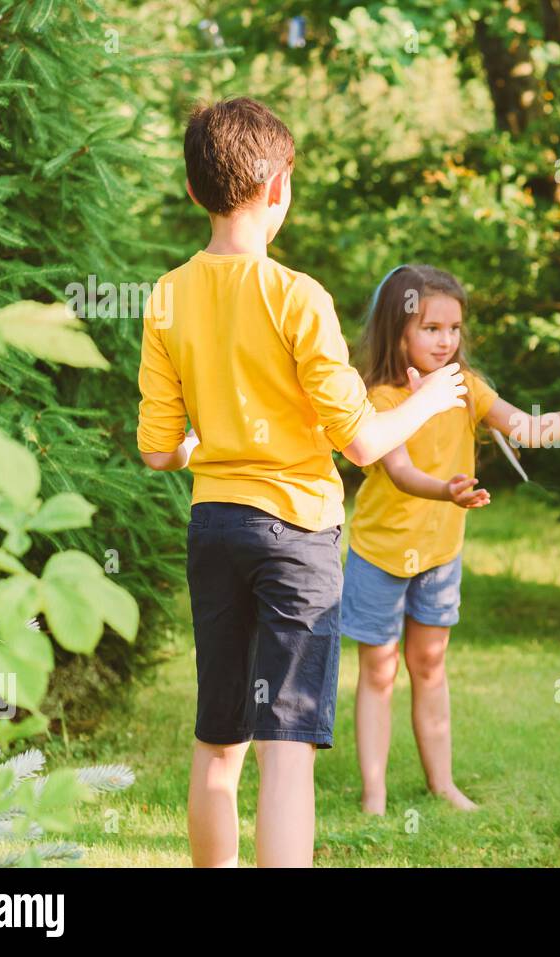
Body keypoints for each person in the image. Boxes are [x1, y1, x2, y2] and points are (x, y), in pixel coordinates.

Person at [136, 99, 466, 867]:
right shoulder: (298, 297)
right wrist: (425, 398)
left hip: (215, 527)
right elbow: (361, 442)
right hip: (295, 537)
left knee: (218, 737)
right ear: (280, 186)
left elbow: (158, 452)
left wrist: (205, 444)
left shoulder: (166, 295)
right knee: (285, 747)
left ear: (194, 191)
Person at [341, 263, 560, 814]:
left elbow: (530, 429)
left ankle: (442, 784)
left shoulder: (466, 388)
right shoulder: (379, 398)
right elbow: (398, 471)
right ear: (397, 329)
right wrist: (445, 491)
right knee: (378, 671)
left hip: (439, 556)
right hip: (379, 553)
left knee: (429, 666)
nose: (446, 340)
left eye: (453, 328)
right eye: (430, 328)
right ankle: (374, 795)